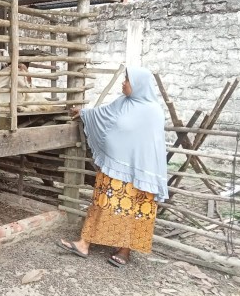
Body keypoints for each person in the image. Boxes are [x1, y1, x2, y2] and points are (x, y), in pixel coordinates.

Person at [56, 67, 168, 267]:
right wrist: (83, 113)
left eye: (127, 80)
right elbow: (102, 115)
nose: (123, 83)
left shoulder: (153, 112)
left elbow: (153, 147)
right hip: (113, 169)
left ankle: (124, 251)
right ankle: (83, 244)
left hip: (139, 173)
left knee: (133, 209)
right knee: (101, 203)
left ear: (139, 85)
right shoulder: (122, 103)